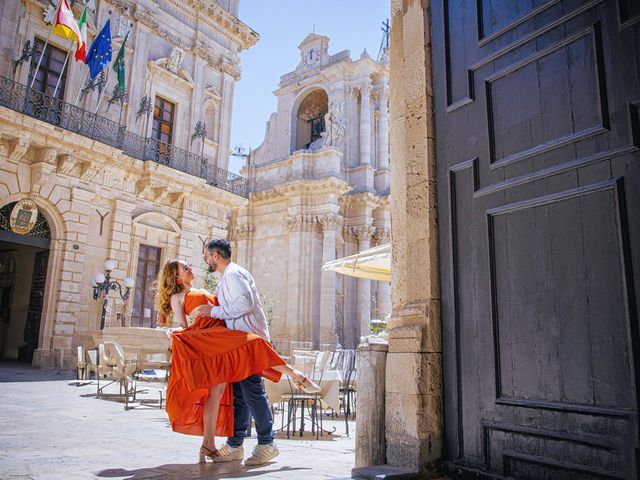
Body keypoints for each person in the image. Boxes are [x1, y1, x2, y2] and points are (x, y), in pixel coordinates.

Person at [156, 259, 319, 465]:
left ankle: (211, 444)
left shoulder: (202, 288)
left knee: (223, 387)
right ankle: (298, 376)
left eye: (188, 266)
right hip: (209, 339)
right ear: (176, 276)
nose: (190, 269)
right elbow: (182, 325)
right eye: (184, 268)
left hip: (224, 334)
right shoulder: (177, 297)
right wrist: (172, 332)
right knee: (253, 346)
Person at [188, 239, 281, 465]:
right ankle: (235, 444)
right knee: (240, 395)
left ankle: (267, 443)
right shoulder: (228, 276)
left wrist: (214, 311)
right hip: (239, 344)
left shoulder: (233, 275)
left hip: (249, 343)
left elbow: (244, 303)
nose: (205, 260)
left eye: (207, 256)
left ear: (216, 256)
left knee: (252, 393)